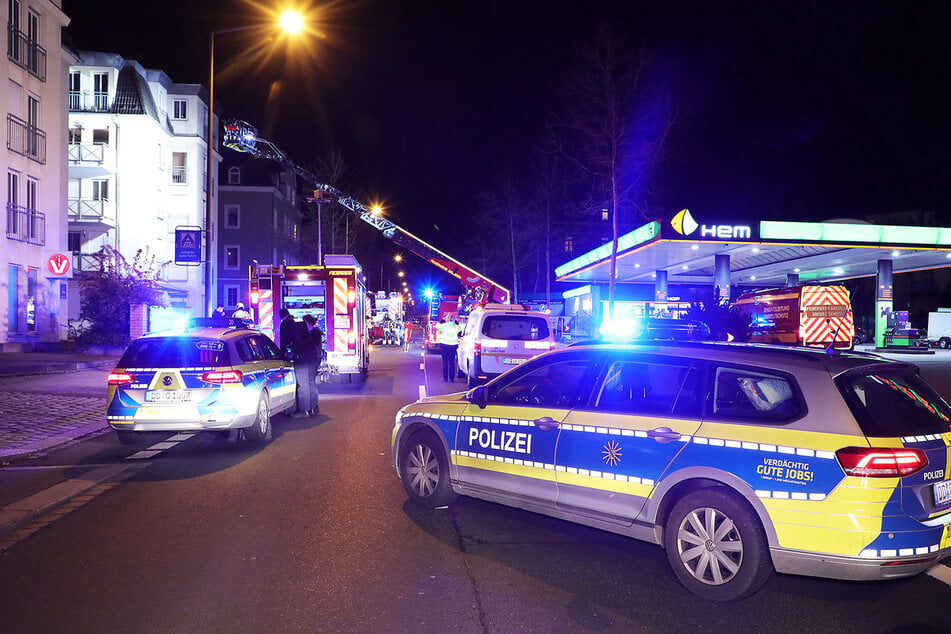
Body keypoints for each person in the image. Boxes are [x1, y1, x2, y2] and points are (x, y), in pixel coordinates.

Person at [279, 308, 319, 417]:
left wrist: (282, 355)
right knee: (310, 382)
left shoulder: (285, 324)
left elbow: (283, 342)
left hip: (303, 356)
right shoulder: (299, 322)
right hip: (312, 354)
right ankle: (313, 408)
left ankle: (304, 411)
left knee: (303, 384)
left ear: (281, 317)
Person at [302, 314, 324, 413]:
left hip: (314, 358)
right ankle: (313, 405)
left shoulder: (314, 333)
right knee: (311, 381)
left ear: (308, 322)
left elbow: (312, 345)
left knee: (310, 382)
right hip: (315, 358)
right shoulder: (315, 332)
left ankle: (313, 405)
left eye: (304, 323)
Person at [436, 316, 462, 382]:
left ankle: (445, 378)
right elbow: (459, 328)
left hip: (444, 345)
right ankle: (452, 378)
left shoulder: (444, 326)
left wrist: (443, 319)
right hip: (453, 346)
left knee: (445, 362)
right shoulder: (456, 327)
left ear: (447, 320)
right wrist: (455, 321)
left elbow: (437, 325)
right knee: (452, 362)